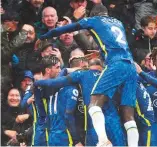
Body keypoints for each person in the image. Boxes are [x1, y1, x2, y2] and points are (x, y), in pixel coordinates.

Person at [38, 5, 138, 147]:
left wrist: (47, 35)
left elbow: (70, 28)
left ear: (93, 14)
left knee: (93, 104)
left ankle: (103, 141)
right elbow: (115, 44)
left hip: (116, 64)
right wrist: (100, 54)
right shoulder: (118, 22)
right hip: (131, 65)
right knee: (128, 115)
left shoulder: (95, 20)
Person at [34, 58, 127, 146]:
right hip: (114, 122)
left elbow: (56, 82)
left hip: (93, 123)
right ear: (102, 67)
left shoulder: (81, 74)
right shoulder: (112, 75)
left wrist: (36, 84)